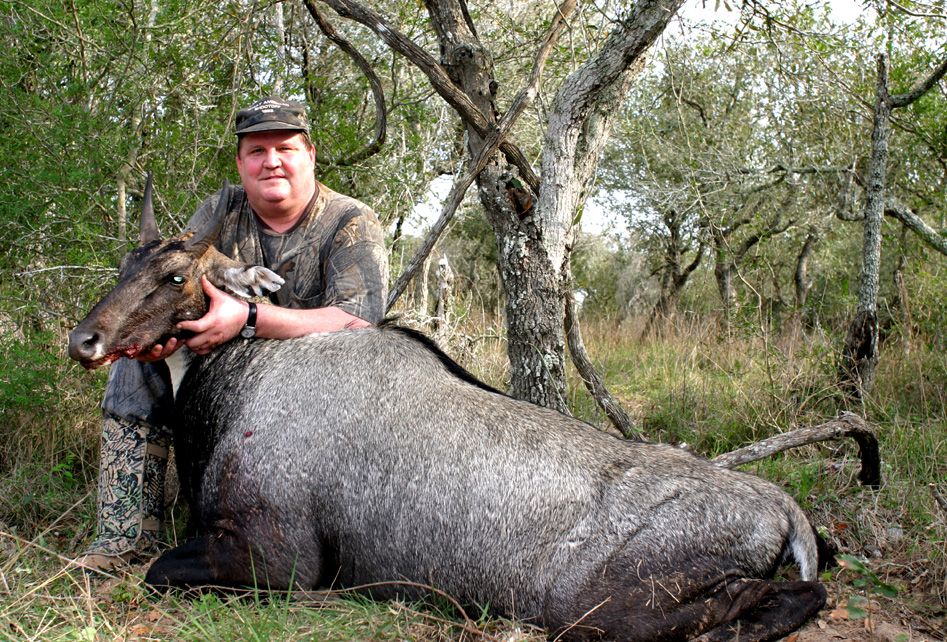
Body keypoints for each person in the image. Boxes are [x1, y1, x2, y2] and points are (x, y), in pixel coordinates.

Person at [77, 96, 389, 570]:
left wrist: (248, 319)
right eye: (257, 151)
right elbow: (176, 290)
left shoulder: (350, 220)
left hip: (319, 388)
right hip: (232, 376)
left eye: (284, 148)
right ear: (241, 164)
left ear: (309, 155)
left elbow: (359, 323)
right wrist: (162, 339)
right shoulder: (216, 213)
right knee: (135, 367)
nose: (271, 161)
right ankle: (126, 537)